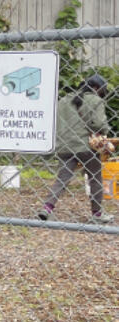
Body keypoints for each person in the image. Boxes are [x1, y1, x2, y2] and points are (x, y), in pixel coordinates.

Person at [38, 73, 114, 224]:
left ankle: (47, 208)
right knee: (95, 178)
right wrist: (104, 131)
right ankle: (97, 214)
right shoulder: (95, 100)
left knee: (62, 179)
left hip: (64, 146)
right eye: (102, 91)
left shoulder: (64, 100)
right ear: (96, 88)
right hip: (85, 146)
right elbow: (99, 124)